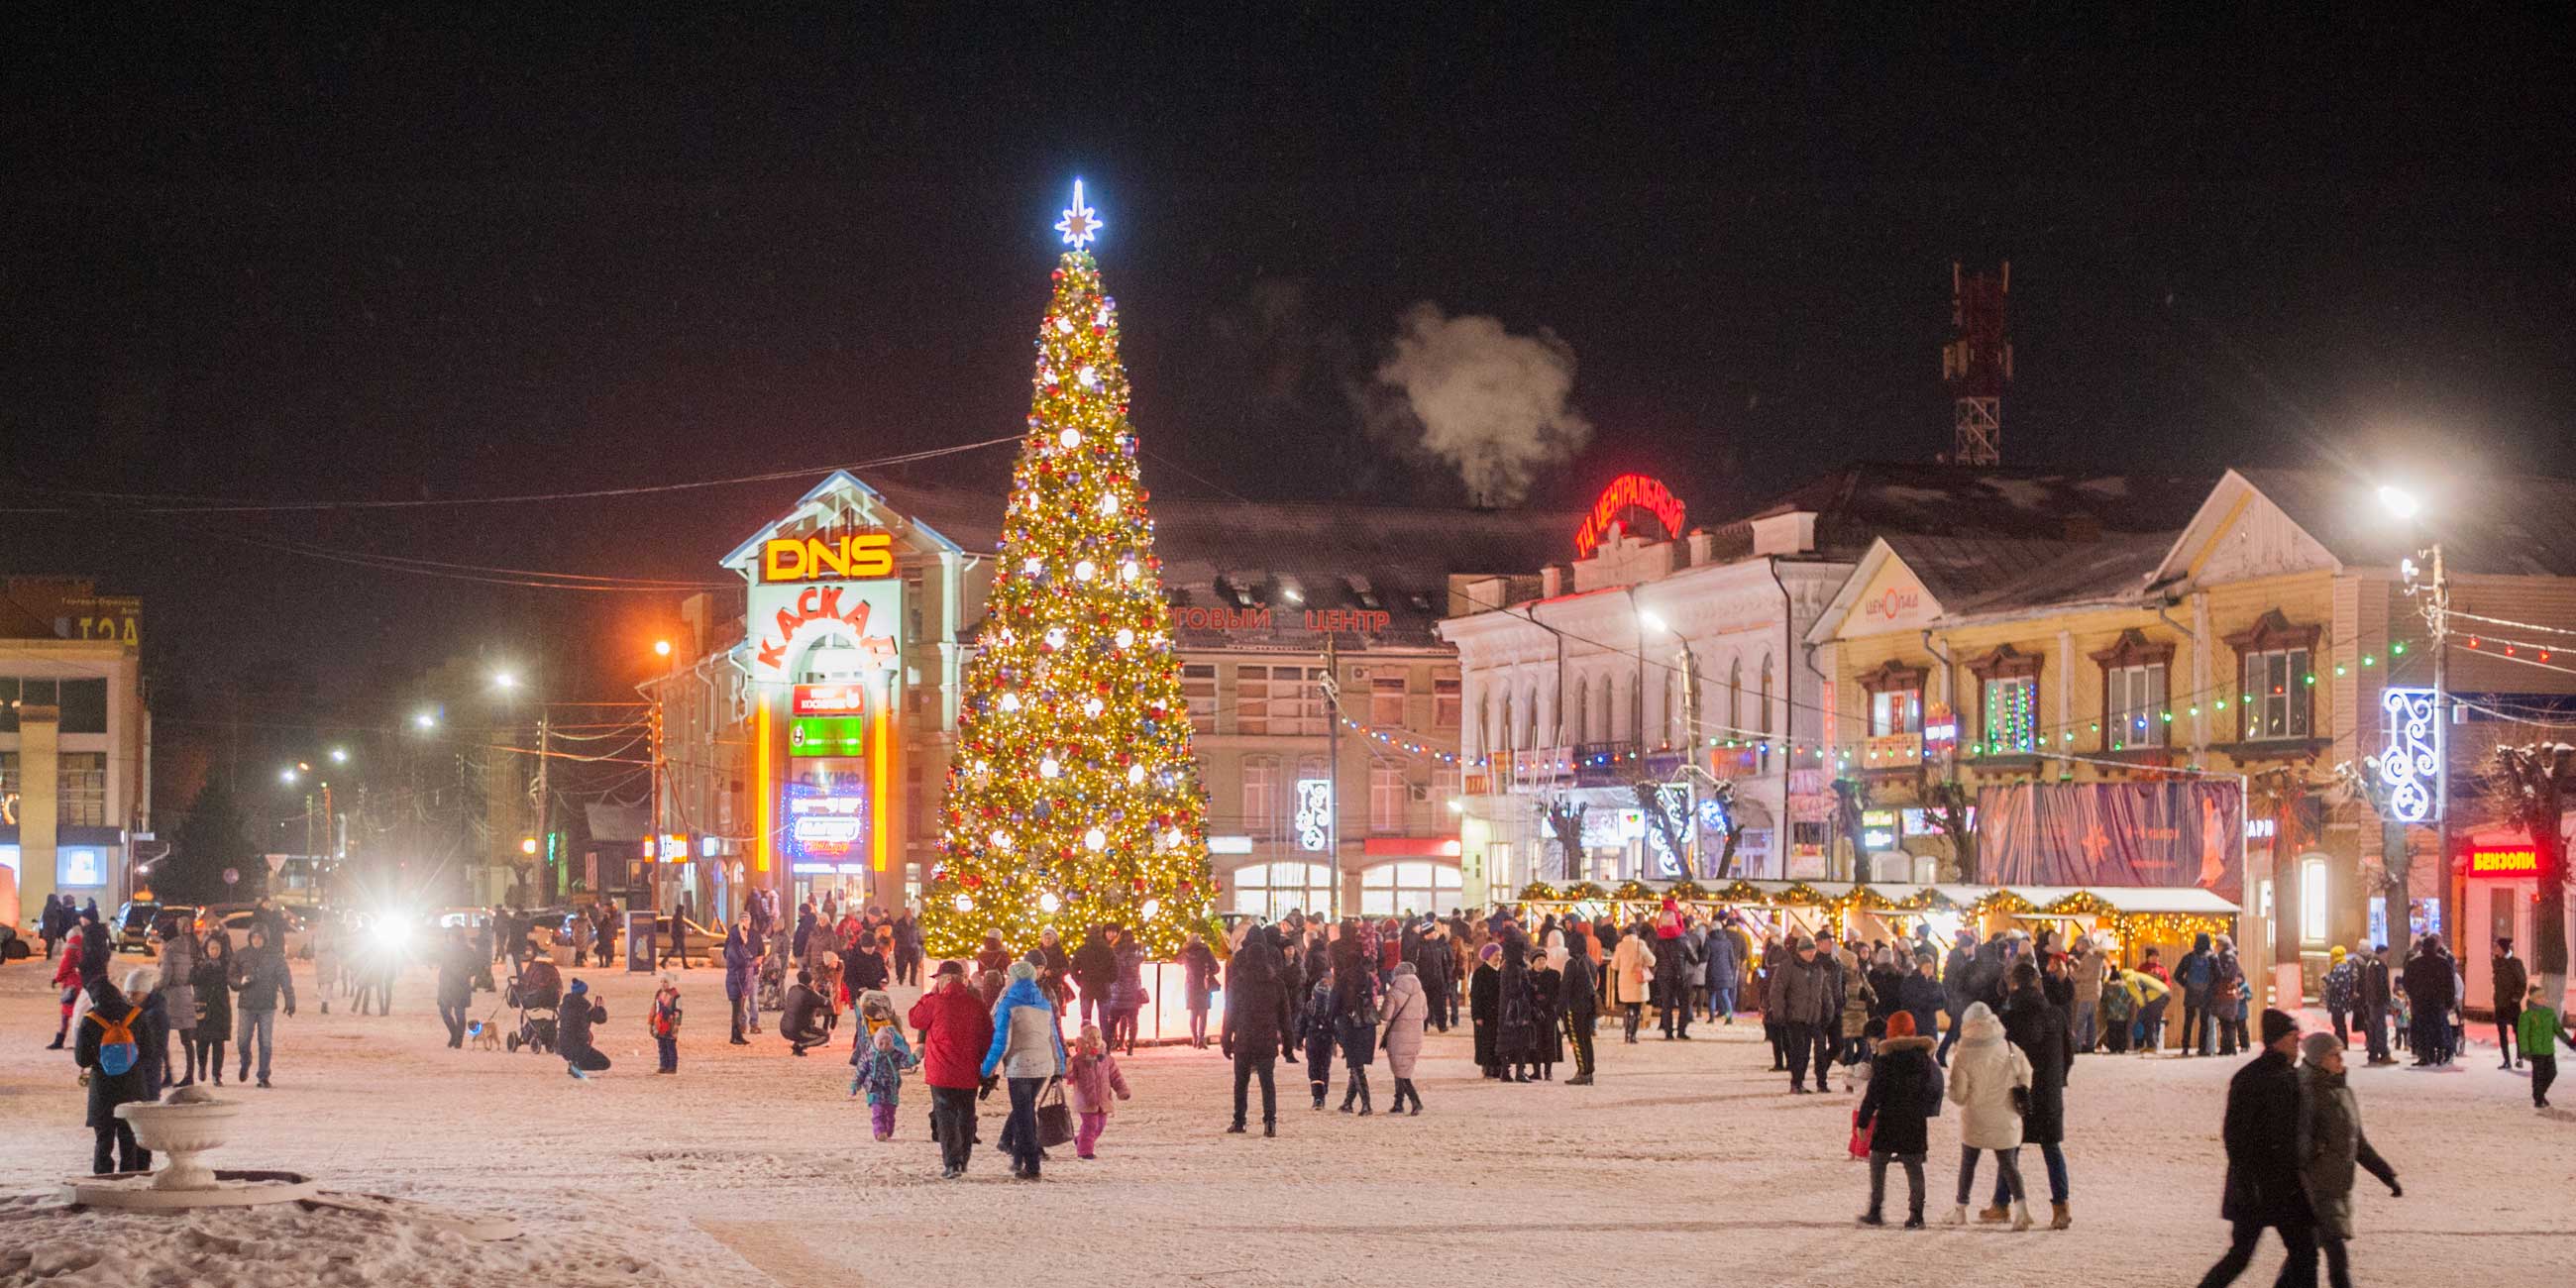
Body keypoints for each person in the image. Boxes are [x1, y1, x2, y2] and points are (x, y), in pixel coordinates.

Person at [2196, 1010, 2319, 1288]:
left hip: (2283, 1184)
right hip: (2259, 1184)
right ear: (2277, 1040)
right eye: (2293, 1037)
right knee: (2244, 1255)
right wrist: (2248, 1180)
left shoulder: (2289, 1076)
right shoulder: (2254, 1079)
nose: (2298, 1043)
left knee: (2303, 1251)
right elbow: (2235, 1136)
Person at [2295, 1029, 2400, 1288]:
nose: (2341, 1060)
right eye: (2335, 1055)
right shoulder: (2307, 1093)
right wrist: (2314, 1153)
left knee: (2303, 1259)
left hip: (2338, 1185)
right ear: (2319, 1059)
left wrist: (2386, 1174)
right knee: (2336, 1255)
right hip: (2316, 1187)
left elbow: (2358, 1143)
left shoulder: (2344, 1092)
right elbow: (2300, 1139)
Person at [1994, 960, 2077, 1229]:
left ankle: (2001, 1204)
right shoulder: (2056, 1015)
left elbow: (2002, 1056)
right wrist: (2057, 1080)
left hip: (2020, 1090)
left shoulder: (2009, 1018)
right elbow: (2069, 1054)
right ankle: (2061, 1207)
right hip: (2049, 1091)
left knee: (2010, 1148)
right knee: (2051, 1148)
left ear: (2014, 985)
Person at [1945, 1001, 2034, 1231]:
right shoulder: (2008, 1046)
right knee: (2009, 1165)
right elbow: (2026, 1073)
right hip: (2006, 1116)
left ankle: (1960, 1210)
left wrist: (1956, 1094)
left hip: (1975, 1118)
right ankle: (2022, 1211)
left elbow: (1959, 1095)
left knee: (1968, 1163)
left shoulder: (1963, 1053)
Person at [980, 960, 1068, 1180]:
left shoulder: (1009, 1004)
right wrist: (1059, 1067)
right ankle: (1018, 1158)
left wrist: (986, 1069)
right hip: (1043, 1066)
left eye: (1009, 976)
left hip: (1020, 1067)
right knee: (1025, 1111)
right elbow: (1054, 1038)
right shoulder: (1044, 1003)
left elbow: (1001, 1043)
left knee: (1024, 1117)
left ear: (1015, 978)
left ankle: (1032, 1166)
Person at [912, 960, 996, 1178]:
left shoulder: (935, 1002)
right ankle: (963, 1159)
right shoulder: (976, 1005)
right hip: (968, 1071)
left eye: (939, 979)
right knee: (966, 1115)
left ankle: (952, 1162)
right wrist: (987, 1068)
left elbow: (915, 1019)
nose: (937, 983)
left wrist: (929, 995)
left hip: (941, 1072)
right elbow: (988, 1037)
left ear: (947, 979)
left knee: (946, 1117)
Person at [1856, 1011, 1940, 1229]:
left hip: (1888, 1119)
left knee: (1878, 1162)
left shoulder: (1885, 1060)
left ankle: (1875, 1210)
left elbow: (1873, 1094)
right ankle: (1916, 1215)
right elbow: (1934, 1090)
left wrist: (1863, 1122)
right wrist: (1925, 1109)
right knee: (1914, 1167)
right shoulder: (1924, 1060)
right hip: (1914, 1121)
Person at [74, 971, 159, 1175]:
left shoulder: (90, 1019)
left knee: (103, 1139)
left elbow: (82, 1059)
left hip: (102, 1088)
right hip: (132, 1085)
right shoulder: (136, 1015)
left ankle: (103, 1178)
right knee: (128, 1138)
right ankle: (128, 1177)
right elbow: (150, 1052)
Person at [1221, 925, 1291, 1137]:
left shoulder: (1238, 983)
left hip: (1244, 1038)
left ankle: (1239, 1120)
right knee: (1267, 1082)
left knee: (1241, 1082)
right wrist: (1288, 1044)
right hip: (1267, 1039)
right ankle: (1270, 1122)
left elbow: (1230, 1014)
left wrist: (1226, 1040)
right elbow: (1285, 1017)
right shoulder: (1276, 983)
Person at [229, 925, 295, 1088]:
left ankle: (263, 1075)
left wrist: (290, 998)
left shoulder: (275, 955)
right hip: (247, 1004)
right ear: (250, 938)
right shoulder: (242, 954)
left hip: (267, 1005)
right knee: (243, 1040)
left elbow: (285, 977)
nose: (256, 940)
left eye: (259, 937)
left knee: (265, 1042)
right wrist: (240, 982)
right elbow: (231, 976)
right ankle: (245, 1061)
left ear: (265, 938)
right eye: (254, 937)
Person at [1779, 935, 1838, 1094]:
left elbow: (1825, 991)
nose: (1811, 953)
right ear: (1800, 952)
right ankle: (1796, 1083)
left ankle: (1821, 1082)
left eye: (1812, 950)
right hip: (1795, 1016)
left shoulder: (1818, 968)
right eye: (1807, 951)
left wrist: (1829, 1010)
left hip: (1815, 1016)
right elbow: (1777, 990)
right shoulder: (1789, 966)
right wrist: (1780, 1012)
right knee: (1800, 1051)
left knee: (1820, 1049)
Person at [1065, 1022, 1131, 1158]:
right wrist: (1068, 1067)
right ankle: (1085, 1151)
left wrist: (1122, 1090)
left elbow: (1115, 1076)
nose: (1095, 1040)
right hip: (1086, 1100)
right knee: (1090, 1125)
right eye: (1091, 1037)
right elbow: (1070, 1076)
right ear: (1084, 1041)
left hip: (1103, 1099)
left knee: (1100, 1125)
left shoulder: (1107, 1060)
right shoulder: (1078, 1060)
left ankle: (1081, 1140)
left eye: (1098, 1037)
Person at [155, 920, 199, 1089]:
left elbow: (165, 979)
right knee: (187, 1039)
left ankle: (167, 1073)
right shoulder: (185, 949)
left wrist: (152, 987)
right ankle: (189, 1075)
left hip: (171, 998)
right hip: (186, 994)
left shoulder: (169, 951)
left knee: (161, 1036)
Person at [853, 1024, 918, 1140]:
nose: (884, 1046)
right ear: (876, 1043)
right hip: (874, 1087)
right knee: (878, 1112)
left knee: (890, 1112)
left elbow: (905, 1062)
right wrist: (856, 1084)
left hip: (891, 1089)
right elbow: (861, 1070)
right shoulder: (869, 1055)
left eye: (888, 1043)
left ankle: (888, 1130)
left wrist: (914, 1058)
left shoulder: (895, 1055)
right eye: (881, 1043)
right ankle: (879, 1131)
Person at [2515, 983, 2573, 1109]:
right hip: (2536, 1051)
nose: (2543, 999)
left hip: (2548, 1050)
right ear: (2533, 999)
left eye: (2543, 997)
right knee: (2538, 1076)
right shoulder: (2526, 1016)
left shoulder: (2549, 1013)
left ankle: (2539, 1095)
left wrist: (2570, 1043)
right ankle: (2538, 1099)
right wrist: (2524, 1050)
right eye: (2540, 997)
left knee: (2552, 1073)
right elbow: (2522, 1035)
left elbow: (2559, 1030)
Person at [2401, 935, 2456, 1066]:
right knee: (2438, 1027)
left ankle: (2425, 1055)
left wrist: (2413, 995)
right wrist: (2449, 1001)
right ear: (2435, 946)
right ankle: (2440, 1054)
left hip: (2420, 1002)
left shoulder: (2414, 962)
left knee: (2422, 1029)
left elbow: (2406, 982)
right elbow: (2449, 984)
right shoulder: (2442, 962)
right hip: (2437, 1002)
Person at [189, 934, 233, 1085]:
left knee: (218, 1044)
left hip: (220, 1008)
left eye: (217, 948)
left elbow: (232, 980)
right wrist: (204, 968)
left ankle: (216, 1075)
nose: (215, 951)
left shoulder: (225, 965)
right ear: (206, 949)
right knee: (202, 1043)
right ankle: (202, 1067)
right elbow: (193, 980)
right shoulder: (199, 964)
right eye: (212, 948)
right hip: (203, 1007)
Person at [1609, 924, 1654, 1044]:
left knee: (1628, 1007)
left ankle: (1627, 1035)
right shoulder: (1640, 944)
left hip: (1624, 981)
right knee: (1637, 1009)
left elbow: (1614, 965)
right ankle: (1633, 1036)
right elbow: (1652, 961)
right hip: (1638, 981)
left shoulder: (1620, 946)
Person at [1937, 928, 1977, 1065]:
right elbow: (1954, 983)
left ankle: (1952, 1054)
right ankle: (1942, 1053)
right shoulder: (1959, 962)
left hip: (1957, 1000)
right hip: (1957, 1001)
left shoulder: (1958, 959)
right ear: (1967, 947)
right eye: (1973, 946)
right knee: (1955, 1029)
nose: (1974, 949)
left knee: (1957, 1029)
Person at [557, 978, 609, 1079]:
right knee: (605, 1063)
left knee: (578, 1051)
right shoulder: (584, 1005)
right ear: (584, 992)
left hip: (563, 1046)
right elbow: (601, 1019)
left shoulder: (564, 1005)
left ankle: (574, 1064)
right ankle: (576, 1066)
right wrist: (600, 1008)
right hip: (579, 1047)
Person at [2175, 931, 2216, 1056]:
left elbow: (2177, 975)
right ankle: (2202, 1049)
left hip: (2191, 995)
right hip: (2205, 996)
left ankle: (2185, 1048)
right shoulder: (2212, 958)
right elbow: (2219, 976)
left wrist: (2186, 985)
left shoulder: (2188, 957)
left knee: (2188, 1022)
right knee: (2204, 1023)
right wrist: (2210, 988)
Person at [436, 926, 478, 1049]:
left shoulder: (467, 951)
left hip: (460, 984)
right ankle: (454, 1034)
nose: (450, 937)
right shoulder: (445, 949)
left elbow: (476, 966)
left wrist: (466, 974)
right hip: (446, 984)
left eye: (452, 935)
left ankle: (458, 1039)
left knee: (459, 1012)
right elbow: (436, 959)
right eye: (449, 935)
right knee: (444, 1010)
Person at [2492, 937, 2528, 1069]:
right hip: (2500, 1003)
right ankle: (2506, 1060)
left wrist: (2516, 997)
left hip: (2512, 1003)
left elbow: (2522, 982)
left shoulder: (2515, 963)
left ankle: (2519, 1057)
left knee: (2517, 1031)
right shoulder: (2497, 963)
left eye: (2497, 946)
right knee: (2502, 1033)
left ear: (2503, 948)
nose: (2494, 949)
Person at [721, 919, 759, 1045]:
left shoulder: (739, 946)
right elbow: (742, 962)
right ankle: (735, 1036)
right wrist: (754, 962)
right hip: (736, 982)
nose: (746, 934)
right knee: (737, 1011)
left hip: (741, 982)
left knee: (739, 1011)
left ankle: (737, 1035)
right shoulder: (734, 947)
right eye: (744, 932)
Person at [1072, 924, 1115, 1032]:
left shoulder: (1082, 950)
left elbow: (1073, 969)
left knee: (1086, 1019)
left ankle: (1086, 1040)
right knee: (1104, 1019)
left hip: (1087, 987)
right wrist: (1108, 981)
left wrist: (1080, 981)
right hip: (1103, 988)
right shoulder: (1108, 950)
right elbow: (1115, 970)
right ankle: (1105, 1041)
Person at [2358, 943, 2395, 1066]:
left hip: (2373, 1002)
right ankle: (2384, 1054)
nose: (2387, 956)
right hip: (2378, 1002)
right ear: (2382, 953)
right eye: (2386, 953)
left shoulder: (2372, 964)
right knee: (2380, 1028)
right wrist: (2384, 1000)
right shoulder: (2377, 966)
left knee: (2373, 1028)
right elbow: (2379, 986)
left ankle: (2373, 1054)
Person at [1181, 931, 1220, 1049]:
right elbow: (1216, 967)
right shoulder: (1206, 951)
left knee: (1193, 1013)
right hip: (1204, 984)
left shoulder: (1185, 952)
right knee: (1203, 1013)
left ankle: (1194, 1038)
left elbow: (1177, 960)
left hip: (1191, 984)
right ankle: (1201, 1040)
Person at [781, 969, 831, 1055]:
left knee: (808, 1021)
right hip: (798, 1030)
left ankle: (798, 1043)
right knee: (825, 1036)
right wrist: (818, 991)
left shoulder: (792, 989)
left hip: (784, 1028)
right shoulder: (809, 993)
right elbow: (827, 1003)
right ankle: (799, 1046)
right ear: (809, 982)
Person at [2069, 938, 2105, 1052]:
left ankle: (2078, 1045)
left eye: (2077, 944)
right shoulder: (2093, 955)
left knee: (2081, 1020)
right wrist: (2076, 963)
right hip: (2093, 991)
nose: (2076, 947)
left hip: (2087, 992)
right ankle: (2090, 1045)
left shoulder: (2090, 956)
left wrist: (2072, 972)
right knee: (2091, 1020)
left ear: (2083, 944)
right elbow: (2088, 970)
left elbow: (2086, 974)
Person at [1706, 917, 1744, 1022]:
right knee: (1725, 995)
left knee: (1712, 995)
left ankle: (1711, 1018)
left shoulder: (1709, 942)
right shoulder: (1727, 942)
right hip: (1725, 972)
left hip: (1712, 972)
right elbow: (1732, 959)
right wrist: (1730, 970)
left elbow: (1704, 957)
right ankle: (1729, 1017)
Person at [2320, 945, 2356, 1049]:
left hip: (2338, 1000)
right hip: (2343, 999)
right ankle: (2341, 1043)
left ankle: (2341, 1043)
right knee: (2340, 1023)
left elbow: (2335, 983)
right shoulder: (2345, 966)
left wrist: (2325, 978)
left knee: (2338, 1023)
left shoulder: (2338, 967)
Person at [650, 975, 683, 1074]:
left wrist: (676, 1024)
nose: (663, 984)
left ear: (670, 983)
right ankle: (663, 1065)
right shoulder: (658, 993)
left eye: (665, 982)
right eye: (661, 981)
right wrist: (651, 1022)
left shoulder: (676, 995)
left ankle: (672, 1067)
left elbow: (678, 1011)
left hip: (671, 1024)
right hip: (659, 1024)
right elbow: (655, 1008)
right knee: (661, 1046)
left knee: (670, 1046)